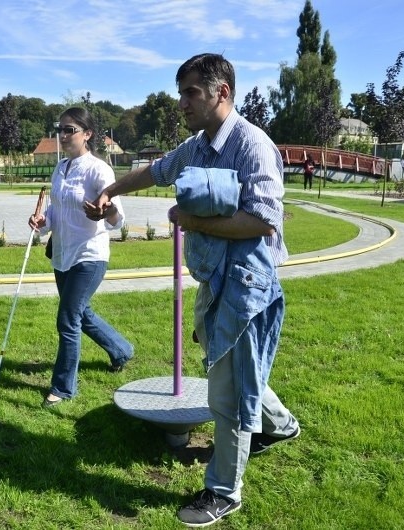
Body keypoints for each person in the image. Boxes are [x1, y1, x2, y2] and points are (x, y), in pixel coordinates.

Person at [86, 53, 300, 527]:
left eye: (191, 93)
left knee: (226, 391)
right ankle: (281, 425)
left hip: (247, 287)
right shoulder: (198, 146)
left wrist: (192, 220)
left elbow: (264, 221)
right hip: (215, 280)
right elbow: (157, 170)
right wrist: (111, 192)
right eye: (181, 92)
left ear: (221, 92)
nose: (181, 102)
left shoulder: (252, 146)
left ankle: (224, 491)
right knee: (241, 373)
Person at [28, 107, 134, 408]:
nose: (62, 135)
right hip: (62, 253)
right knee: (80, 313)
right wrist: (41, 222)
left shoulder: (99, 170)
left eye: (69, 130)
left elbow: (117, 219)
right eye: (59, 129)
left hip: (90, 255)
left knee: (67, 319)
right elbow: (54, 212)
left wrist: (105, 210)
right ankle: (121, 350)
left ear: (87, 134)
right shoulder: (60, 168)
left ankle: (62, 388)